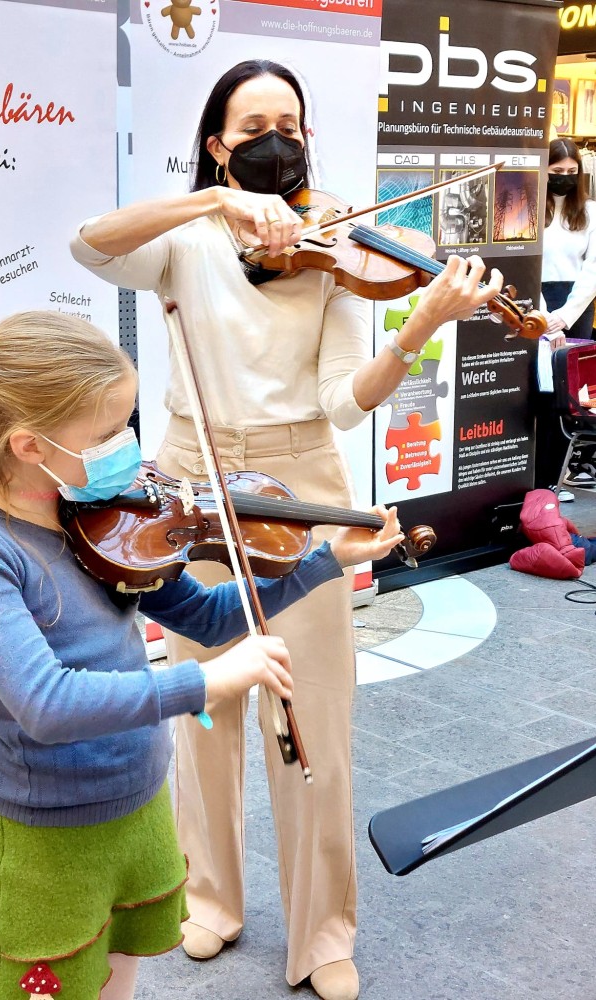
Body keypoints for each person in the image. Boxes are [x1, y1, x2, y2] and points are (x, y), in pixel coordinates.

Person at [70, 60, 503, 1000]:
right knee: (205, 703)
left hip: (300, 477)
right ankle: (210, 900)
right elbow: (89, 245)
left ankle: (323, 931)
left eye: (293, 122)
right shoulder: (187, 236)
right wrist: (211, 207)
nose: (280, 137)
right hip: (190, 481)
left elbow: (346, 403)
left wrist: (418, 322)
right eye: (255, 122)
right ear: (221, 143)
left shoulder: (337, 236)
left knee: (315, 717)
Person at [0, 309, 405, 1000]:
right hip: (49, 840)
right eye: (105, 436)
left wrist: (322, 560)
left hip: (134, 802)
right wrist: (204, 684)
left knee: (116, 987)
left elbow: (209, 614)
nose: (129, 452)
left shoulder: (94, 515)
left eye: (127, 427)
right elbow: (45, 702)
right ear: (28, 446)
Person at [536, 139, 596, 496]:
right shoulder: (527, 208)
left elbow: (592, 271)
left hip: (576, 307)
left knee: (571, 395)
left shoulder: (589, 212)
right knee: (539, 391)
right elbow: (527, 262)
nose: (564, 179)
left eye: (571, 173)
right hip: (535, 304)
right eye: (557, 172)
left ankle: (567, 474)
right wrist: (544, 316)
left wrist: (565, 315)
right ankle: (538, 477)